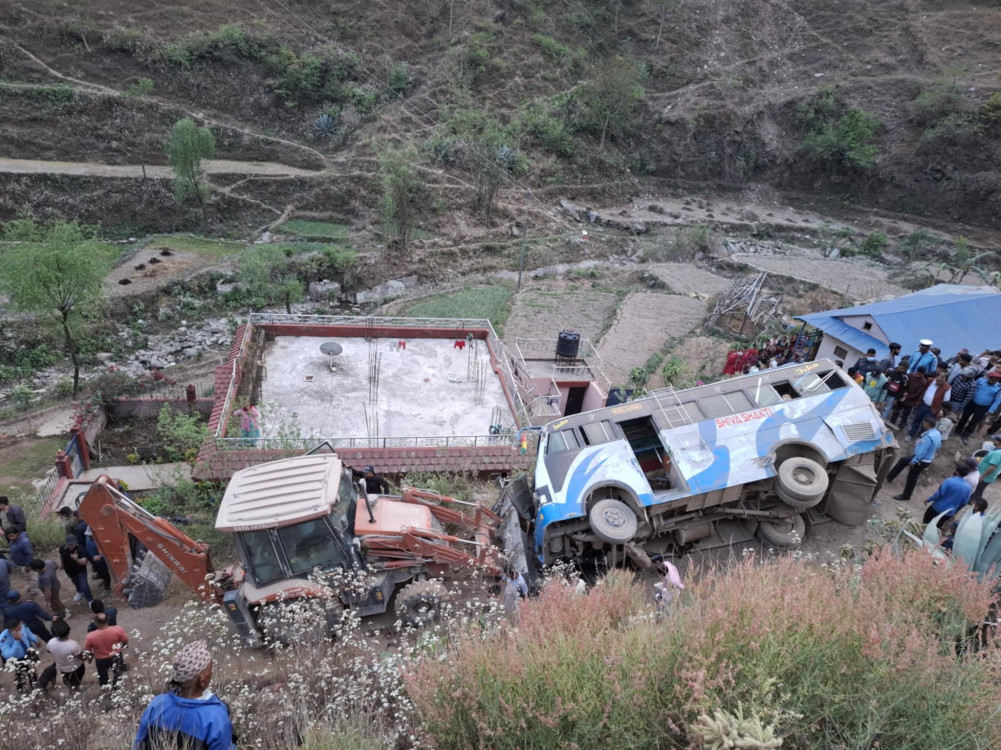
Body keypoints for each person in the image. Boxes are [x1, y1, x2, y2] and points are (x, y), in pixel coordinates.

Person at [134, 640, 236, 750]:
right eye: (210, 669)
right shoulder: (215, 718)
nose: (212, 673)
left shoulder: (158, 704)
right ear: (202, 681)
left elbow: (139, 743)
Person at [886, 417, 941, 501]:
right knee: (903, 460)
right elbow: (938, 445)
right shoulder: (937, 433)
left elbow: (922, 451)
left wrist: (914, 461)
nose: (923, 425)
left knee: (912, 477)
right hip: (926, 459)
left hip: (920, 460)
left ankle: (906, 496)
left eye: (924, 423)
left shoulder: (928, 437)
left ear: (928, 424)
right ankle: (890, 476)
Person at [38, 619, 85, 693]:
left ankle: (71, 687)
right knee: (76, 678)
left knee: (66, 679)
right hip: (76, 666)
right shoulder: (73, 645)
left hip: (62, 667)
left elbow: (49, 651)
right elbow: (80, 656)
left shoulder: (51, 642)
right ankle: (75, 688)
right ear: (68, 631)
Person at [84, 612, 129, 689]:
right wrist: (122, 646)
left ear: (96, 623)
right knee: (117, 673)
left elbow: (88, 651)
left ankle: (105, 688)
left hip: (101, 660)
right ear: (108, 620)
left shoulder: (90, 636)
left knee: (102, 675)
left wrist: (90, 659)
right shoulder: (118, 629)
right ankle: (116, 687)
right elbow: (125, 640)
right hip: (116, 656)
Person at [922, 463, 974, 528]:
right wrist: (956, 510)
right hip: (949, 513)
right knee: (937, 526)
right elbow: (964, 502)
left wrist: (928, 499)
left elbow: (939, 494)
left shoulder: (949, 481)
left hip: (937, 508)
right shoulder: (968, 487)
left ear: (957, 472)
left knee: (926, 523)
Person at [955, 371, 1001, 444]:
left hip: (983, 407)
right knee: (964, 417)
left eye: (995, 379)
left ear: (998, 380)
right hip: (971, 403)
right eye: (991, 378)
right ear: (988, 377)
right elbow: (972, 388)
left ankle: (966, 435)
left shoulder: (999, 388)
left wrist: (990, 411)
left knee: (974, 421)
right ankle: (957, 431)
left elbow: (997, 400)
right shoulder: (980, 380)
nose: (992, 380)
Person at [0, 617, 41, 693]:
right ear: (10, 629)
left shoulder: (22, 626)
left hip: (28, 653)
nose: (20, 629)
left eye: (20, 627)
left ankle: (34, 686)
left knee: (33, 671)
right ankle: (22, 690)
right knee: (19, 676)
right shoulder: (3, 638)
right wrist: (16, 641)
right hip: (17, 660)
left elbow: (27, 633)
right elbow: (7, 655)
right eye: (17, 629)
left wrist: (35, 640)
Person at [907, 371, 950, 440]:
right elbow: (923, 391)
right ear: (936, 377)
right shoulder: (930, 381)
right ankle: (911, 434)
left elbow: (946, 401)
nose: (940, 382)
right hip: (923, 405)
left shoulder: (947, 388)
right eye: (938, 380)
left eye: (942, 381)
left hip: (934, 409)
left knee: (927, 423)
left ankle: (920, 436)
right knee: (917, 419)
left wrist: (941, 411)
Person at [59, 534, 93, 604]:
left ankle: (90, 599)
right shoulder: (62, 548)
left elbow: (84, 562)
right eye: (69, 544)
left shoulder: (80, 549)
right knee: (75, 582)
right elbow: (62, 556)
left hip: (80, 570)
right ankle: (80, 592)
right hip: (69, 570)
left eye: (72, 544)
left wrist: (76, 559)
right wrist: (62, 564)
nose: (71, 546)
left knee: (84, 586)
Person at [971, 434, 1001, 503]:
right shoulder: (996, 450)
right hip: (985, 475)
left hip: (985, 476)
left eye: (995, 439)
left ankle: (976, 504)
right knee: (977, 489)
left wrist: (982, 476)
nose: (993, 440)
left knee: (978, 491)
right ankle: (972, 500)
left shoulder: (997, 453)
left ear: (999, 442)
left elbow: (992, 467)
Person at [84, 527, 112, 592]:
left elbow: (108, 551)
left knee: (105, 573)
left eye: (90, 535)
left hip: (101, 562)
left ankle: (107, 588)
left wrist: (100, 556)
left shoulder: (102, 540)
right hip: (94, 561)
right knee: (100, 572)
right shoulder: (89, 539)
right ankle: (103, 580)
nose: (88, 536)